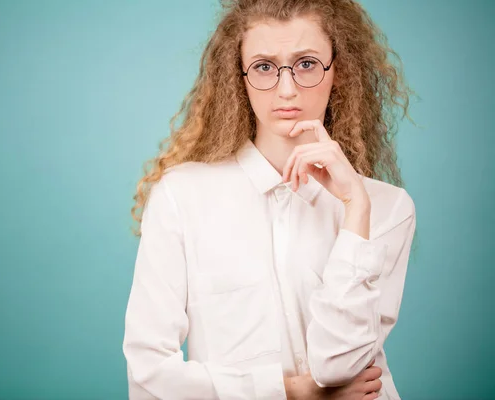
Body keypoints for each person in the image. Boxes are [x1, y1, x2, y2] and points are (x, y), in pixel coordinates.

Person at [123, 0, 417, 398]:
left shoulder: (385, 207)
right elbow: (148, 376)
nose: (286, 88)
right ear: (239, 76)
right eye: (264, 66)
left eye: (307, 64)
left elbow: (337, 366)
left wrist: (356, 209)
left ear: (340, 72)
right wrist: (289, 392)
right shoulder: (181, 196)